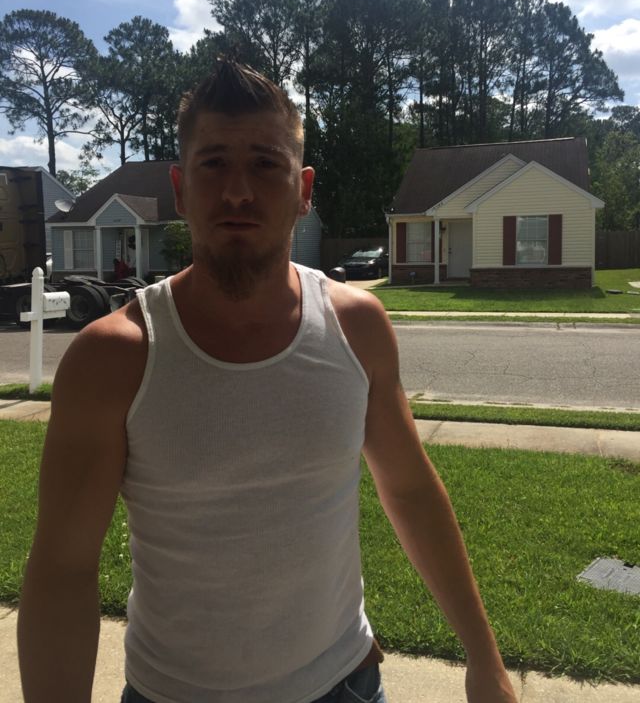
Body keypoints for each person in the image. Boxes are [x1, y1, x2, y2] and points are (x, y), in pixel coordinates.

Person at [17, 60, 517, 703]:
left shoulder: (357, 327)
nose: (237, 192)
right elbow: (63, 569)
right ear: (180, 188)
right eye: (214, 164)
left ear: (303, 189)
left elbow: (412, 490)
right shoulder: (113, 358)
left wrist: (484, 661)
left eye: (264, 164)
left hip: (344, 685)